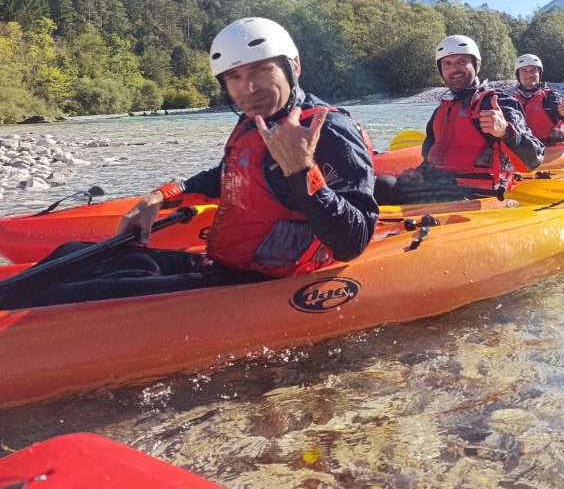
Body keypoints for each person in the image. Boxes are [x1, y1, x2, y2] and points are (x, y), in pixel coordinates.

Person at [16, 17, 379, 308]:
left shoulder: (329, 130)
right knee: (73, 254)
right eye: (234, 77)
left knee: (47, 299)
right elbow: (228, 176)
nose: (246, 89)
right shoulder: (256, 119)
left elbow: (354, 239)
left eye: (260, 70)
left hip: (267, 281)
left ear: (293, 66)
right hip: (224, 265)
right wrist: (162, 196)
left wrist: (302, 171)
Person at [375, 35, 544, 204]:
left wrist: (506, 132)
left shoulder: (498, 103)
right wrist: (420, 172)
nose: (454, 69)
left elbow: (533, 162)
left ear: (476, 65)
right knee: (383, 183)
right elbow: (430, 159)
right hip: (440, 187)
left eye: (462, 61)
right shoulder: (441, 110)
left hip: (480, 194)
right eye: (447, 64)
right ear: (441, 70)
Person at [509, 54, 564, 145]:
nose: (529, 75)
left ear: (539, 73)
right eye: (524, 71)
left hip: (551, 150)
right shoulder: (510, 101)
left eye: (533, 70)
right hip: (524, 152)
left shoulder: (552, 98)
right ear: (518, 75)